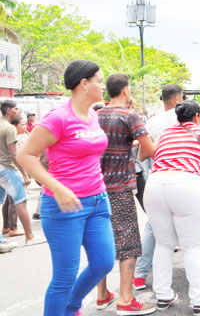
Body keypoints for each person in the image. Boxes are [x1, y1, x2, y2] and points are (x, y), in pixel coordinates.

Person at [17, 60, 114, 316]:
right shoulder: (59, 117)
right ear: (84, 84)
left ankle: (71, 307)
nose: (102, 85)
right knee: (64, 277)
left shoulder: (93, 114)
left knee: (103, 263)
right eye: (99, 80)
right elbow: (27, 154)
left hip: (97, 201)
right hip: (63, 206)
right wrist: (57, 187)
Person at [144, 100, 200, 314]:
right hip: (187, 185)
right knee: (193, 246)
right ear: (197, 116)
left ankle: (163, 296)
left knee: (164, 244)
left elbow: (154, 152)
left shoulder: (166, 133)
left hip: (155, 184)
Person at [95, 73, 157, 315]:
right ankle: (125, 299)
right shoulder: (130, 115)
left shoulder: (97, 114)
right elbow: (150, 149)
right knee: (128, 243)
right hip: (120, 188)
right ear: (125, 90)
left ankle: (102, 294)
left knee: (100, 242)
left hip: (96, 187)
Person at [133, 83, 184, 290]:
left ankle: (140, 275)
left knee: (154, 229)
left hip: (157, 179)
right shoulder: (185, 118)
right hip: (184, 180)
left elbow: (143, 154)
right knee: (193, 236)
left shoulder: (152, 122)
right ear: (178, 98)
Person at [0, 100, 45, 246]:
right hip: (8, 168)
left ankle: (2, 237)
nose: (18, 111)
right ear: (8, 111)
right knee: (21, 201)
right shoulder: (9, 128)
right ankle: (30, 237)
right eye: (16, 109)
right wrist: (25, 174)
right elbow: (14, 154)